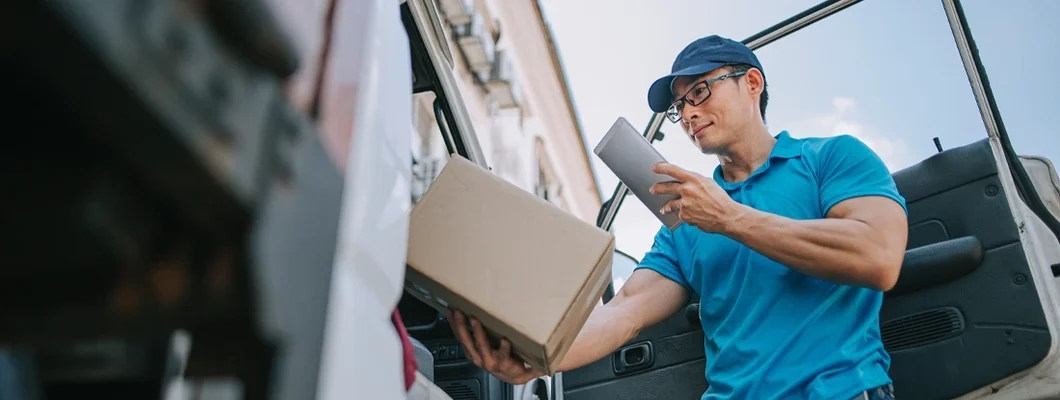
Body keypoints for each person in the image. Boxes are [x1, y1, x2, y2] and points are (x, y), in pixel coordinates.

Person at [445, 34, 907, 400]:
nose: (688, 113)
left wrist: (729, 218)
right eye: (679, 106)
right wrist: (541, 356)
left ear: (752, 83)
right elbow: (623, 313)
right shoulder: (685, 218)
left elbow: (877, 255)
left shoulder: (830, 159)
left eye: (701, 91)